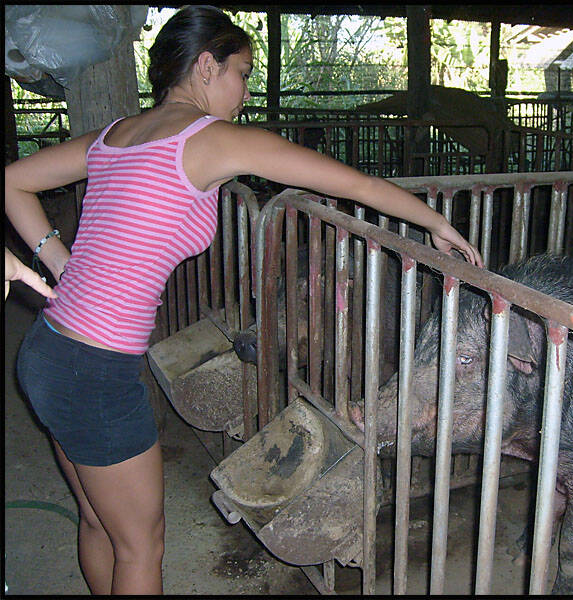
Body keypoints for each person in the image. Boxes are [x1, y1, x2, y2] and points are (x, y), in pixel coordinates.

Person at [5, 6, 483, 595]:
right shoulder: (214, 140)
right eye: (243, 73)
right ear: (207, 66)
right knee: (141, 545)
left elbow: (12, 180)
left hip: (49, 350)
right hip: (96, 372)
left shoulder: (117, 133)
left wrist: (59, 261)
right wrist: (435, 222)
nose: (247, 90)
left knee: (100, 522)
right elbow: (353, 184)